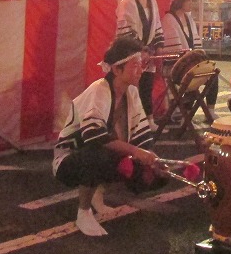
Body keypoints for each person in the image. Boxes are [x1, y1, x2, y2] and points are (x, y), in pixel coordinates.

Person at [52, 37, 163, 237]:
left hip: (100, 153)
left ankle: (97, 193)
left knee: (154, 174)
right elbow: (94, 137)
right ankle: (83, 212)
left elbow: (142, 138)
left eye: (142, 64)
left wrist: (151, 159)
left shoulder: (132, 92)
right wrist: (136, 151)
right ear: (117, 69)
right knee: (98, 153)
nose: (141, 70)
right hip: (70, 160)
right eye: (135, 65)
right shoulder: (99, 90)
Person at [116, 0, 164, 116]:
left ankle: (148, 118)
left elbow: (157, 24)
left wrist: (158, 46)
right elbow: (125, 30)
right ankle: (134, 119)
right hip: (132, 52)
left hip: (149, 51)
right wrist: (140, 49)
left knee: (147, 86)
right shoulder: (127, 2)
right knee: (133, 88)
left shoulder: (152, 0)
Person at [161, 0, 217, 112]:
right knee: (194, 76)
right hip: (175, 66)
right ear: (179, 1)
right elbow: (173, 52)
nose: (191, 3)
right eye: (189, 0)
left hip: (189, 64)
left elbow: (196, 45)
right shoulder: (168, 20)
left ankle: (210, 111)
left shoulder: (188, 18)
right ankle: (185, 110)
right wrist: (190, 60)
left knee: (213, 74)